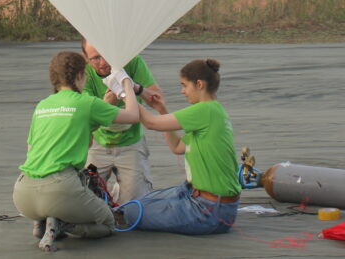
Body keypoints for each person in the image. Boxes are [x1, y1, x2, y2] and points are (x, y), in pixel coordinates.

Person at [13, 50, 139, 252]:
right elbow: (133, 115)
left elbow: (32, 149)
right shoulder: (86, 103)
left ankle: (42, 221)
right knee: (108, 223)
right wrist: (126, 83)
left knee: (55, 195)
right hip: (60, 189)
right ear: (80, 75)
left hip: (23, 193)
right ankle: (63, 224)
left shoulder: (42, 105)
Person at [119, 58, 241, 235]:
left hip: (209, 210)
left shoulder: (205, 110)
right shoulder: (213, 112)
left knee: (132, 213)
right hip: (204, 199)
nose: (182, 91)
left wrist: (124, 91)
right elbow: (177, 146)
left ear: (199, 84)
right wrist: (162, 109)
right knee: (136, 203)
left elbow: (151, 123)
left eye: (184, 85)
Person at [80, 39, 163, 202]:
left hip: (130, 142)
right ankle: (115, 195)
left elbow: (157, 99)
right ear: (86, 58)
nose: (103, 63)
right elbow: (85, 114)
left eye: (106, 56)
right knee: (84, 196)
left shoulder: (132, 62)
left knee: (134, 207)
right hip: (99, 142)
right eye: (95, 58)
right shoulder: (85, 72)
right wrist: (106, 105)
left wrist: (135, 87)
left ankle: (123, 190)